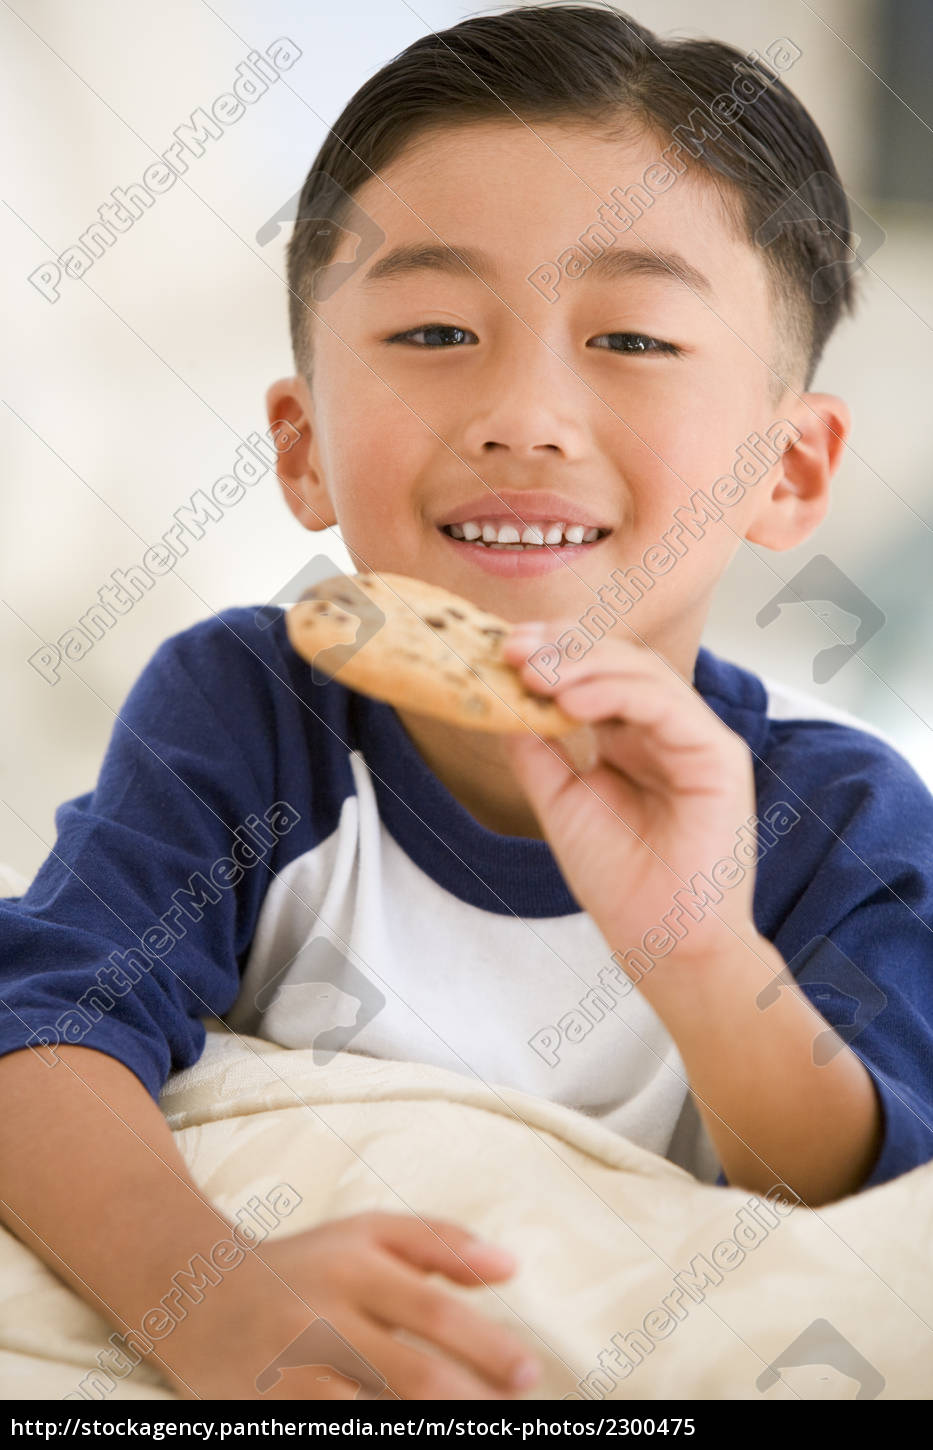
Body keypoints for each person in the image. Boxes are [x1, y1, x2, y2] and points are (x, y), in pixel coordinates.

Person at [2, 2, 931, 1403]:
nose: (522, 412)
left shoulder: (837, 813)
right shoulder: (250, 710)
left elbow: (869, 1200)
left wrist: (693, 946)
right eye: (434, 328)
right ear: (303, 448)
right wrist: (210, 1299)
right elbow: (42, 1033)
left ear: (786, 472)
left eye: (629, 339)